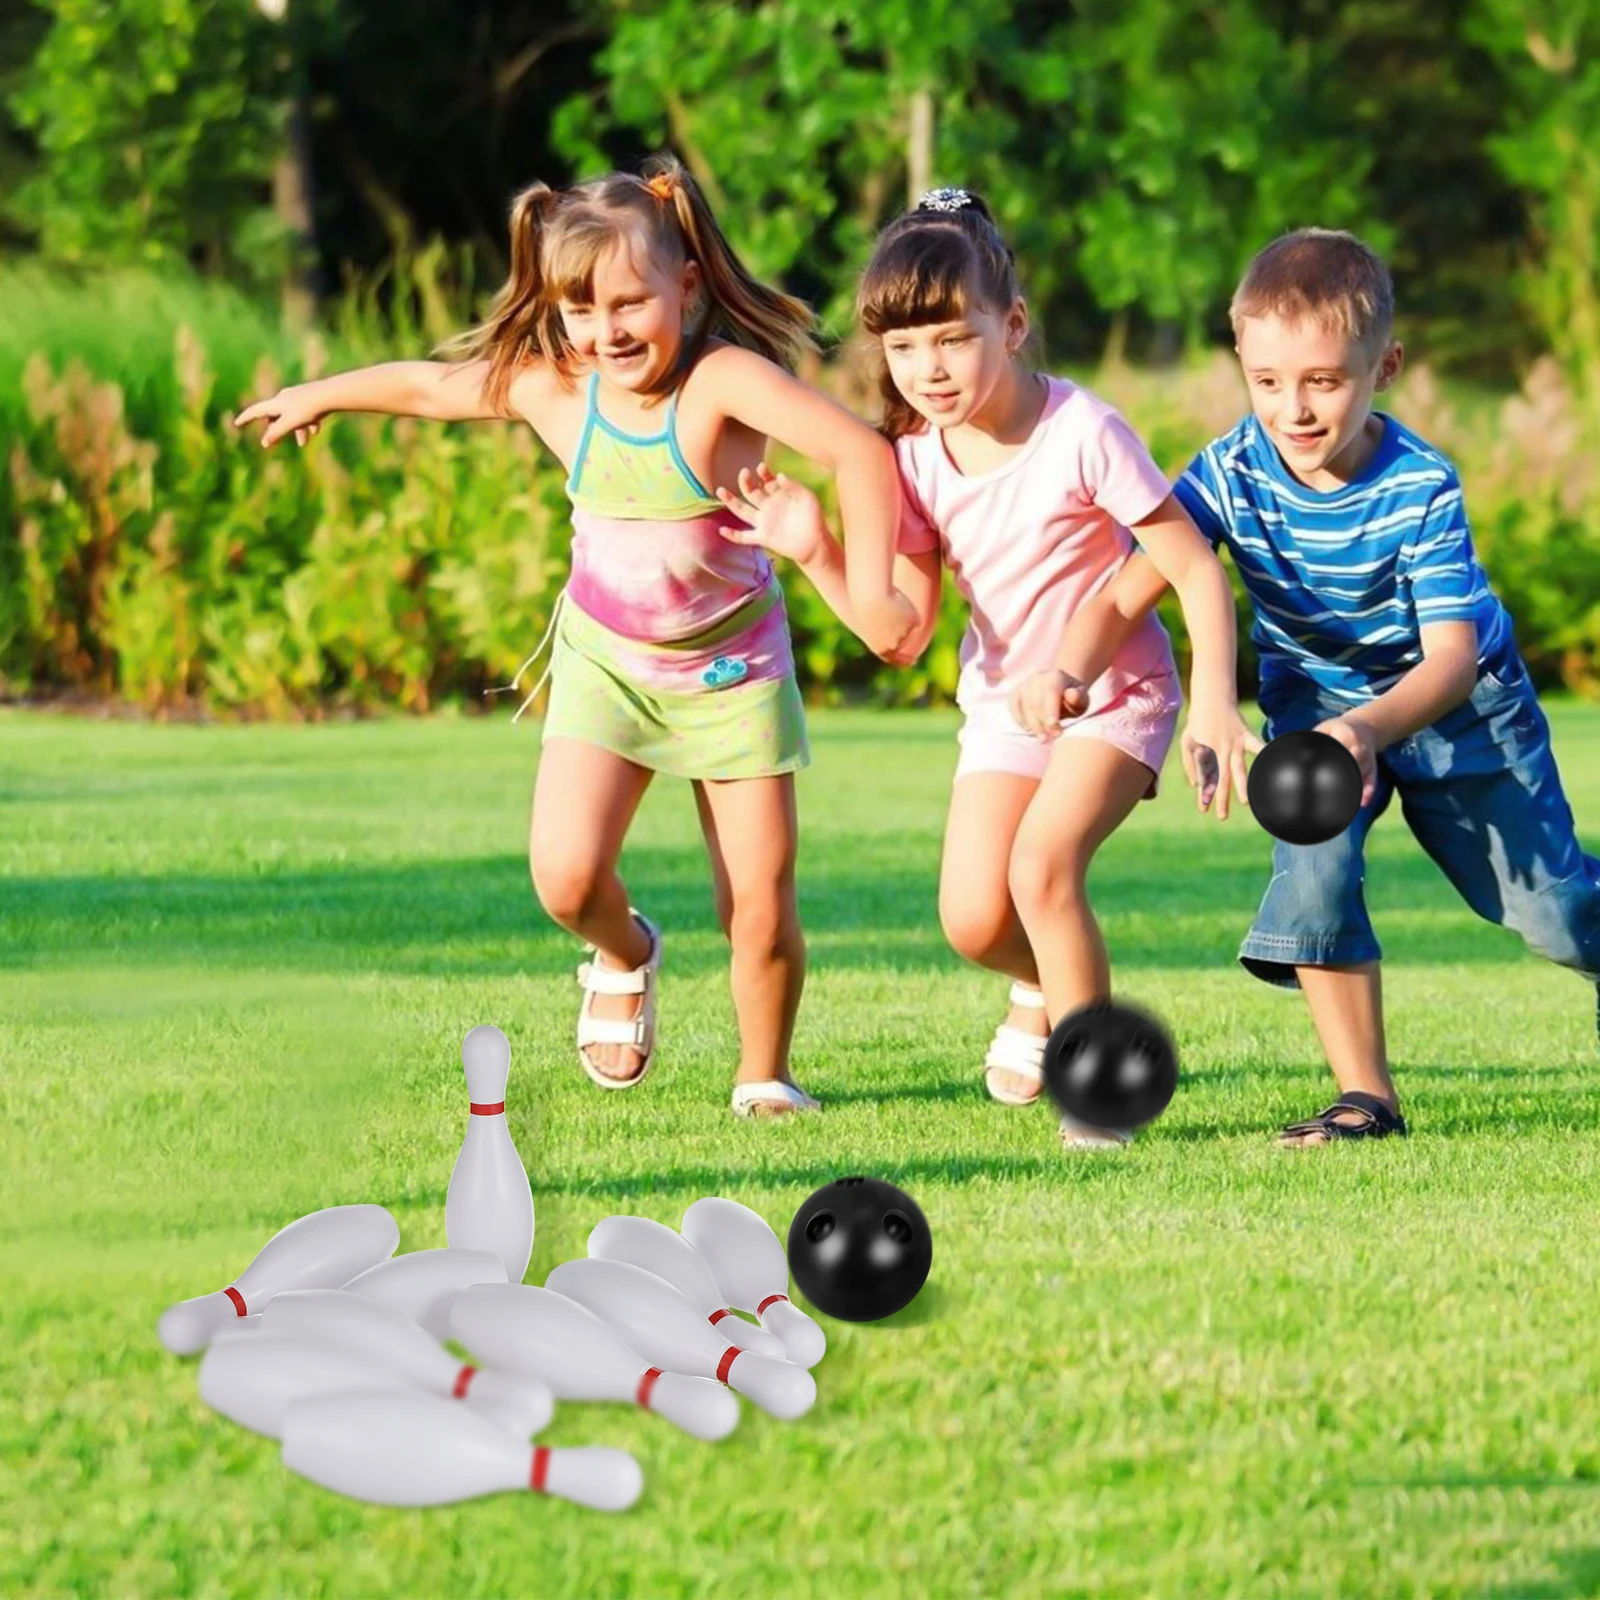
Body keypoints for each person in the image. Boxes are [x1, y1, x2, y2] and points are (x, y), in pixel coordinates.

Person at [237, 156, 906, 1118]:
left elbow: (859, 451)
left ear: (684, 282)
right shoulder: (558, 386)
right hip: (608, 666)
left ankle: (765, 1074)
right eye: (579, 311)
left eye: (629, 302)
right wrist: (322, 394)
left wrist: (871, 585)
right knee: (564, 878)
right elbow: (434, 388)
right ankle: (625, 949)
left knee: (757, 907)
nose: (605, 331)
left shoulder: (722, 382)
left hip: (731, 674)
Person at [716, 189, 1255, 1148]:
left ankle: (1098, 1098)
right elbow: (903, 633)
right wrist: (815, 551)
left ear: (1011, 325)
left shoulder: (1081, 430)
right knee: (971, 918)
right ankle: (1046, 983)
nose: (928, 368)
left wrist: (1215, 703)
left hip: (1116, 696)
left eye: (953, 339)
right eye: (903, 347)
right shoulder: (912, 461)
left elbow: (1189, 568)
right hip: (1007, 705)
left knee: (1043, 871)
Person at [1108, 225, 1600, 1143]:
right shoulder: (1229, 470)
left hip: (1459, 706)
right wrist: (1066, 664)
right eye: (1266, 382)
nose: (1292, 409)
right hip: (1312, 702)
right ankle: (1365, 1098)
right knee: (1315, 874)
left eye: (1323, 382)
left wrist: (1370, 730)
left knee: (1553, 912)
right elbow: (1144, 578)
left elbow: (1450, 656)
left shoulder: (1421, 486)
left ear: (1387, 366)